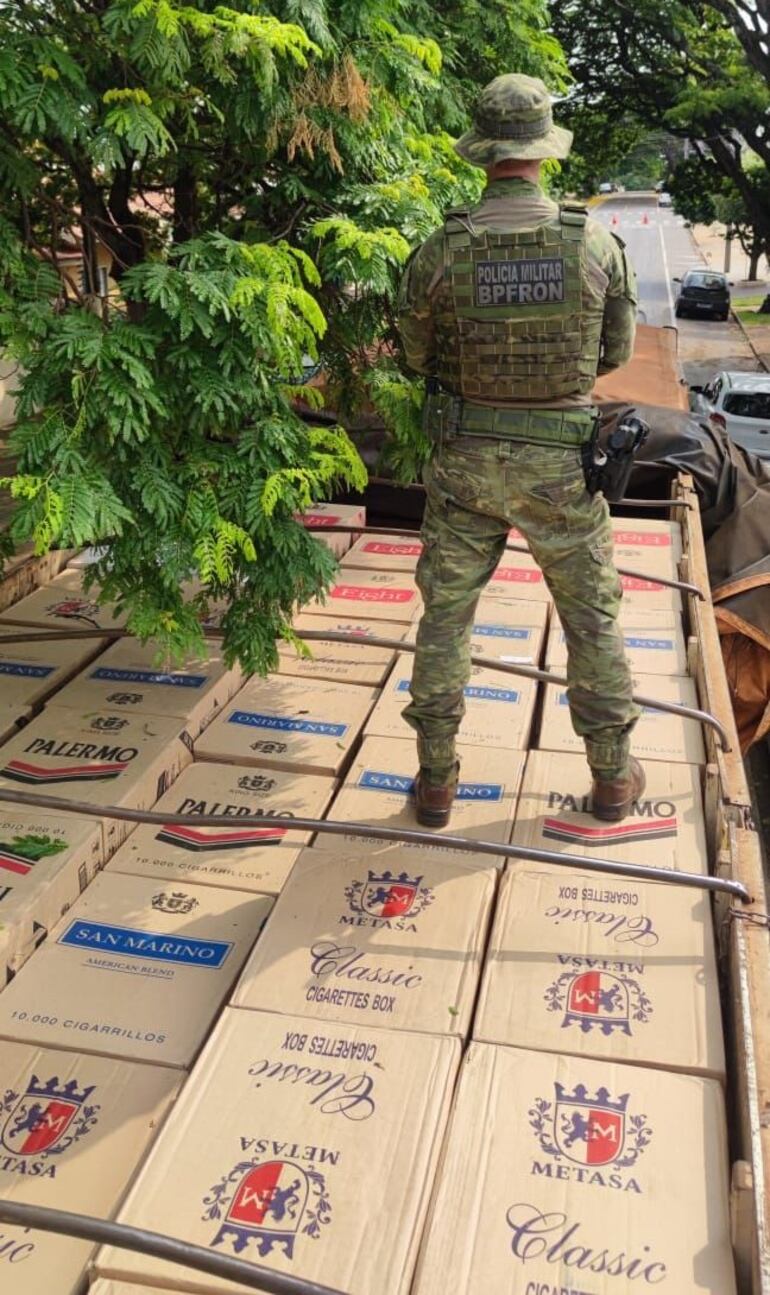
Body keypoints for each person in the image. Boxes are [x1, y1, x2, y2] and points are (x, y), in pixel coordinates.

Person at [397, 72, 644, 829]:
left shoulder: (440, 250)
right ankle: (612, 778)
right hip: (562, 468)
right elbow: (615, 353)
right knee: (591, 620)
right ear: (543, 148)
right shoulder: (594, 243)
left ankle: (435, 781)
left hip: (465, 462)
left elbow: (414, 356)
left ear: (482, 151)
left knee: (446, 619)